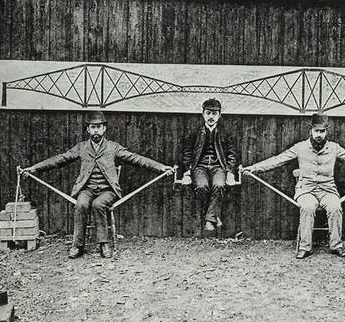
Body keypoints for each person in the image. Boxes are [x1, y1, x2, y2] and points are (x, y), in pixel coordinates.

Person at [21, 111, 174, 259]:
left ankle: (103, 244)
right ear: (88, 129)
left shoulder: (113, 147)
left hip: (108, 191)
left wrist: (161, 167)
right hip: (87, 190)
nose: (96, 130)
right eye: (93, 127)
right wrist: (35, 168)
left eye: (98, 127)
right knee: (81, 204)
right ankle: (78, 246)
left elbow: (136, 158)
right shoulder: (81, 147)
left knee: (98, 204)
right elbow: (60, 159)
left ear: (104, 129)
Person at [243, 112, 345, 259]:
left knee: (335, 207)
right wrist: (253, 168)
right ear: (311, 131)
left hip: (328, 190)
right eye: (316, 131)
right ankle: (304, 247)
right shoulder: (300, 147)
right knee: (308, 207)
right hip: (306, 190)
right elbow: (277, 159)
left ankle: (336, 245)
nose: (319, 134)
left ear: (326, 132)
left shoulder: (334, 148)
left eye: (322, 131)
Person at [180, 98, 237, 232]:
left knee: (219, 185)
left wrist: (229, 171)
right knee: (201, 186)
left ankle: (209, 218)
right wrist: (187, 171)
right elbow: (187, 153)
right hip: (199, 167)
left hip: (219, 167)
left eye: (214, 113)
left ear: (219, 115)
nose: (211, 116)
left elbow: (231, 154)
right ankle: (213, 216)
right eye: (208, 113)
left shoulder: (225, 132)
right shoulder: (195, 131)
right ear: (203, 114)